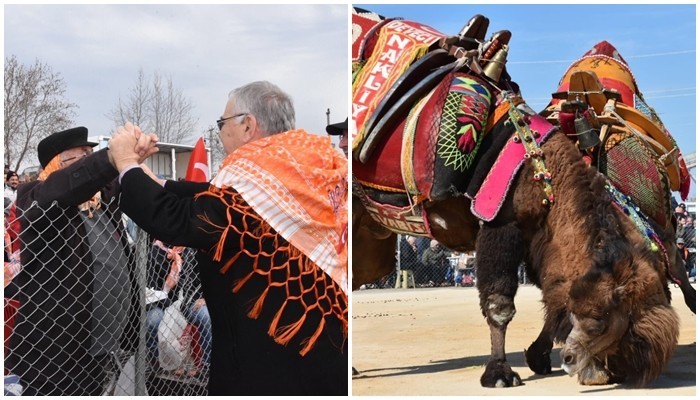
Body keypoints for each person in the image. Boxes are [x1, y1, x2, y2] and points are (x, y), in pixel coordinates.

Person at [108, 81, 348, 395]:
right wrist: (149, 177)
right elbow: (212, 197)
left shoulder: (256, 180)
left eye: (222, 123)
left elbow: (180, 220)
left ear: (248, 125)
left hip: (272, 362)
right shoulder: (308, 164)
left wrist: (126, 162)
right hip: (323, 345)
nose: (219, 132)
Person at [5, 127, 148, 396]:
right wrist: (108, 157)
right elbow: (64, 186)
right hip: (57, 353)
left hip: (102, 343)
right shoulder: (35, 197)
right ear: (57, 164)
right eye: (81, 155)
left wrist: (132, 154)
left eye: (90, 154)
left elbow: (119, 178)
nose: (89, 159)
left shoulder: (100, 198)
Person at [145, 239, 211, 376]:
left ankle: (207, 364)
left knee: (205, 316)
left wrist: (205, 298)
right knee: (153, 320)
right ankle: (160, 362)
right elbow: (151, 290)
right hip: (162, 304)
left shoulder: (191, 250)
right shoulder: (155, 253)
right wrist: (171, 306)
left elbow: (204, 279)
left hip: (188, 302)